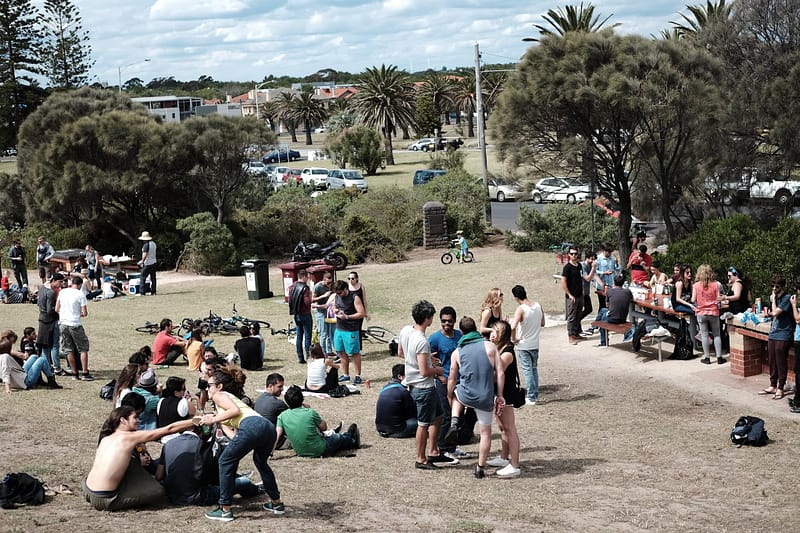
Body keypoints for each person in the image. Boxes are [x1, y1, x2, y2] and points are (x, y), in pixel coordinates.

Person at [201, 366, 284, 521]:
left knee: (225, 461)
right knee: (260, 462)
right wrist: (217, 420)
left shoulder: (220, 395)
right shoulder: (222, 410)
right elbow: (234, 436)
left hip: (252, 426)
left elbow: (234, 411)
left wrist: (212, 419)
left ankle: (225, 509)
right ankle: (276, 503)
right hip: (267, 428)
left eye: (210, 385)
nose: (208, 389)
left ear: (219, 386)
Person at [82, 406, 196, 511]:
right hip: (104, 498)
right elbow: (168, 429)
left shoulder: (106, 438)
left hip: (88, 490)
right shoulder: (127, 438)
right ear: (123, 420)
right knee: (158, 490)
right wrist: (196, 420)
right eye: (135, 417)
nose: (138, 420)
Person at [398, 300, 457, 470]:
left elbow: (401, 353)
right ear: (427, 319)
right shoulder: (422, 341)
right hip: (423, 387)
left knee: (438, 416)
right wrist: (438, 370)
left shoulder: (406, 331)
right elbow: (424, 372)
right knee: (423, 424)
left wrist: (426, 357)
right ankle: (421, 459)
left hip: (417, 384)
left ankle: (434, 451)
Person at [447, 316, 505, 479]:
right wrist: (499, 395)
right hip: (485, 396)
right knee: (485, 433)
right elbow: (500, 372)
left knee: (457, 394)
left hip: (466, 394)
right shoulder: (490, 346)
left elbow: (452, 377)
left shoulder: (457, 352)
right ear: (476, 330)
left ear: (461, 332)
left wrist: (448, 393)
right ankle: (480, 467)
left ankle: (454, 421)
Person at [275, 384, 360, 458]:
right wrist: (309, 410)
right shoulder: (309, 413)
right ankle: (350, 439)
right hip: (320, 449)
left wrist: (270, 453)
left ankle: (347, 436)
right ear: (302, 399)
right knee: (337, 438)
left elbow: (277, 436)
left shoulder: (282, 416)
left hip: (300, 452)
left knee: (331, 438)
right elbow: (324, 427)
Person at [428, 305, 468, 460]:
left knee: (457, 416)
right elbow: (426, 359)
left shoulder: (460, 336)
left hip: (460, 382)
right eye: (444, 321)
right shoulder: (434, 339)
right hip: (443, 383)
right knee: (445, 415)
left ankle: (452, 446)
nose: (446, 324)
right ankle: (443, 448)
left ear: (454, 321)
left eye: (449, 321)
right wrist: (438, 376)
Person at [486, 320, 522, 478]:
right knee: (502, 428)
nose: (492, 334)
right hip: (499, 395)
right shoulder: (498, 349)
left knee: (510, 429)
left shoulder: (507, 352)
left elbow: (495, 375)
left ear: (503, 335)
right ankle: (503, 457)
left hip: (506, 395)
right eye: (492, 331)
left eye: (496, 331)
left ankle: (514, 465)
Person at [509, 285, 545, 405]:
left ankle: (531, 396)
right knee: (534, 369)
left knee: (527, 370)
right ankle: (534, 394)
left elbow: (513, 327)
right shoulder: (538, 305)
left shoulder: (521, 309)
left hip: (524, 344)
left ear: (515, 297)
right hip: (535, 343)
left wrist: (514, 339)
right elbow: (543, 323)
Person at [760, 274, 793, 400]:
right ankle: (773, 384)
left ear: (783, 286)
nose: (774, 288)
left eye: (777, 286)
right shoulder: (776, 297)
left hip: (784, 333)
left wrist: (773, 300)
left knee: (780, 360)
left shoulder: (787, 298)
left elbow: (775, 313)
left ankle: (780, 387)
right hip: (774, 331)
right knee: (772, 359)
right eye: (772, 286)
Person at [55, 276, 93, 381]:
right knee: (83, 348)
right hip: (75, 324)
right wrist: (77, 314)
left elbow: (57, 308)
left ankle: (74, 373)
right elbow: (84, 313)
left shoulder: (63, 292)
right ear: (80, 284)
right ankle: (85, 373)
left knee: (68, 349)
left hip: (63, 323)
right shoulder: (80, 294)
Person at [332, 279, 366, 384]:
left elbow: (361, 313)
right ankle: (346, 375)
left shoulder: (354, 297)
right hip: (339, 329)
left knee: (354, 353)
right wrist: (335, 310)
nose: (338, 295)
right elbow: (334, 306)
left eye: (340, 292)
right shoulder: (337, 296)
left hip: (351, 330)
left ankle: (357, 375)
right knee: (341, 352)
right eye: (337, 293)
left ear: (345, 289)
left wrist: (347, 317)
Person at [692, 264, 724, 365]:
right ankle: (719, 357)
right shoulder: (716, 284)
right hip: (713, 311)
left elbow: (693, 299)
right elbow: (719, 298)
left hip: (701, 312)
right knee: (717, 335)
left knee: (704, 335)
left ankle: (707, 357)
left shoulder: (696, 285)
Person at [375, 363, 418, 438]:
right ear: (400, 376)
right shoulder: (403, 391)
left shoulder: (384, 388)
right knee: (423, 423)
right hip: (397, 429)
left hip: (380, 428)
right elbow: (412, 412)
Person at [254, 373, 290, 448]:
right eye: (279, 386)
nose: (282, 389)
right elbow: (293, 415)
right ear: (270, 386)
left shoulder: (259, 400)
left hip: (258, 439)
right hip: (274, 442)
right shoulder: (277, 403)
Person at [38, 272, 64, 375]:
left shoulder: (42, 288)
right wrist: (60, 308)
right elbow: (50, 310)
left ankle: (46, 366)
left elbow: (38, 303)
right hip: (51, 320)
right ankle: (57, 367)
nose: (61, 284)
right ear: (54, 281)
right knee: (54, 345)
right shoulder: (51, 293)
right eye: (60, 282)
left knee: (45, 345)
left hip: (42, 319)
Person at [596, 275, 633, 347]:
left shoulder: (609, 291)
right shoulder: (628, 291)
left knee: (603, 318)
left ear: (614, 282)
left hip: (613, 319)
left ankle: (603, 341)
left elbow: (607, 305)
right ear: (623, 283)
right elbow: (631, 299)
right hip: (623, 318)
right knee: (603, 310)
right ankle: (593, 327)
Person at [157, 376, 197, 441]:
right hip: (179, 438)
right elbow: (198, 416)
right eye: (183, 389)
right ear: (176, 392)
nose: (185, 391)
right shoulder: (184, 402)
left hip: (163, 437)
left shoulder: (161, 401)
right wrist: (198, 401)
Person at [288, 269, 313, 364]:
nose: (308, 279)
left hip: (296, 314)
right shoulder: (305, 288)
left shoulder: (292, 287)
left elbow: (290, 300)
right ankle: (308, 356)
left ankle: (300, 357)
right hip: (305, 314)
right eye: (307, 277)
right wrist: (311, 297)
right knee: (307, 337)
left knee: (299, 336)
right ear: (304, 277)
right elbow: (307, 302)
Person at [561, 246, 584, 345]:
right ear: (568, 255)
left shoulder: (579, 266)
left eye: (575, 254)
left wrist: (582, 291)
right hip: (572, 296)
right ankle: (570, 335)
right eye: (572, 254)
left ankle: (576, 333)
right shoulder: (567, 267)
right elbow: (563, 282)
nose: (574, 256)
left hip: (579, 295)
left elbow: (581, 279)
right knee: (571, 317)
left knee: (578, 315)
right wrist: (569, 294)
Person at [311, 271, 335, 354]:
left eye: (330, 282)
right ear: (324, 279)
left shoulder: (331, 285)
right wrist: (324, 296)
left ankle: (329, 351)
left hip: (328, 311)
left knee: (329, 332)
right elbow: (312, 300)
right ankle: (323, 352)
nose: (329, 284)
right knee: (323, 333)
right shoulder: (317, 287)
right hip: (320, 312)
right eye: (328, 282)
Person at [594, 245, 619, 310]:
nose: (609, 254)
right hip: (601, 285)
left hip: (611, 284)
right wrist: (604, 272)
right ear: (604, 251)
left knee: (610, 304)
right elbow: (595, 271)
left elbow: (617, 270)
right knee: (602, 305)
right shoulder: (598, 258)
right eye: (608, 252)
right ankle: (600, 319)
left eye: (610, 252)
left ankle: (608, 319)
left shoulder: (612, 258)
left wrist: (617, 263)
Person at [580, 251, 597, 334]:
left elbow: (594, 276)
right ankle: (576, 327)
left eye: (594, 260)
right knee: (579, 310)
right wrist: (593, 268)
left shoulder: (590, 266)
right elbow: (587, 278)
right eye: (591, 259)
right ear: (587, 258)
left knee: (589, 309)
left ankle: (577, 321)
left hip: (586, 292)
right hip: (580, 292)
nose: (593, 261)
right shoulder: (582, 266)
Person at [137, 231, 157, 296]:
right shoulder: (154, 243)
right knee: (153, 278)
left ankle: (142, 292)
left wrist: (142, 262)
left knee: (142, 277)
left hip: (148, 263)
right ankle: (153, 292)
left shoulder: (146, 245)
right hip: (154, 262)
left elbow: (145, 254)